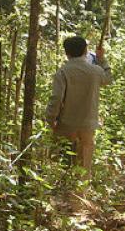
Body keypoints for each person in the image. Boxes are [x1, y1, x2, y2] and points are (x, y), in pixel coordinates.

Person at [45, 35, 112, 181]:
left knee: (62, 163)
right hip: (88, 126)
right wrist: (102, 58)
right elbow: (107, 78)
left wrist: (51, 119)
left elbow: (56, 98)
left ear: (66, 53)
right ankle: (79, 197)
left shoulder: (63, 72)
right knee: (84, 166)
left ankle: (62, 195)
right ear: (85, 51)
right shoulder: (96, 71)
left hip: (66, 125)